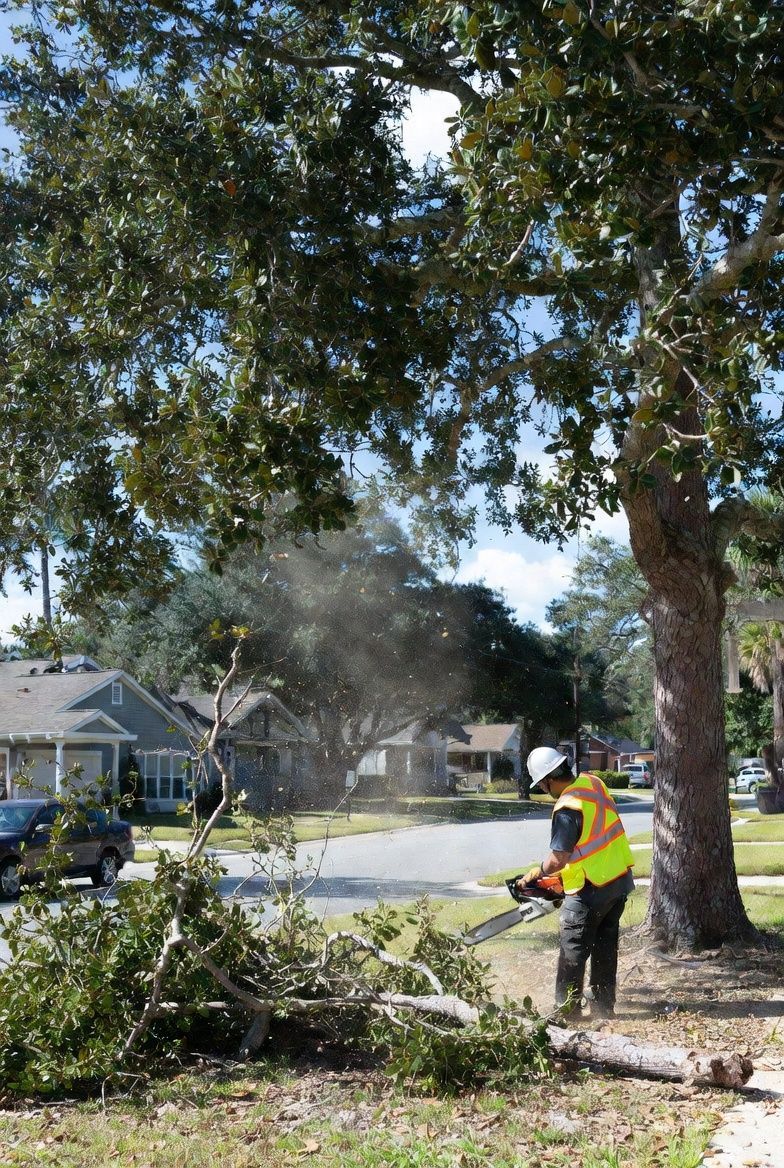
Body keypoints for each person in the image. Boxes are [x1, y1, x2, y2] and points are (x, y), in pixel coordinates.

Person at [518, 747, 634, 1021]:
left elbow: (559, 858)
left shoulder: (567, 807)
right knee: (605, 948)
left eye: (543, 785)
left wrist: (539, 872)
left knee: (573, 948)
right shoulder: (593, 783)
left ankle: (567, 1012)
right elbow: (591, 840)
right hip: (616, 881)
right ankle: (603, 1008)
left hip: (590, 888)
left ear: (547, 780)